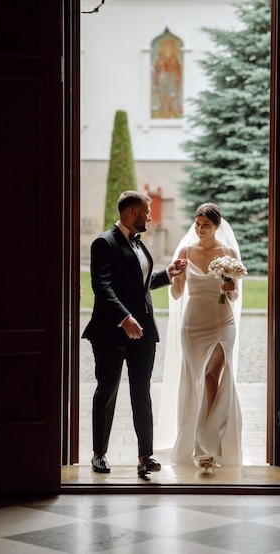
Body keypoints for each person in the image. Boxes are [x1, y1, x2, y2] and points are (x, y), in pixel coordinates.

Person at [82, 190, 186, 478]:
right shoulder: (104, 242)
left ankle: (145, 456)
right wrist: (124, 318)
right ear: (132, 213)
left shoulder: (139, 245)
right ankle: (99, 454)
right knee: (107, 390)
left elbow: (138, 284)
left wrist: (168, 274)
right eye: (147, 212)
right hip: (111, 332)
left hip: (144, 331)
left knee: (142, 393)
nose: (150, 217)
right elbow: (103, 287)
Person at [169, 202, 243, 470]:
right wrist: (176, 277)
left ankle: (207, 449)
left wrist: (230, 286)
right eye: (197, 224)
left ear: (217, 226)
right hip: (193, 325)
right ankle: (201, 445)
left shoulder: (228, 252)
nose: (200, 229)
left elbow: (233, 296)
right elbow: (177, 294)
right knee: (196, 381)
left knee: (213, 376)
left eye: (206, 225)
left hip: (223, 322)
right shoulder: (186, 250)